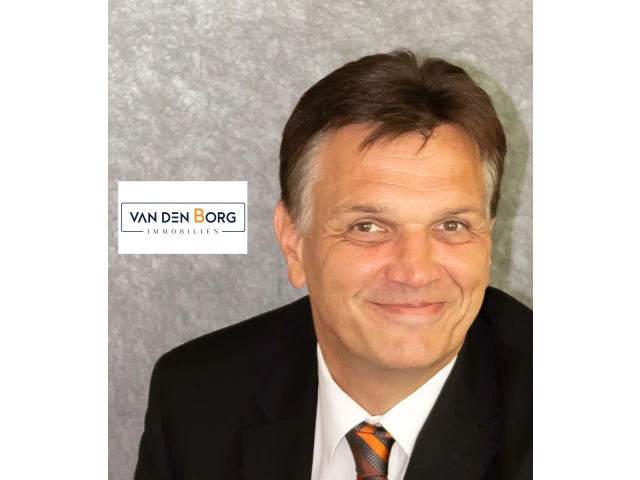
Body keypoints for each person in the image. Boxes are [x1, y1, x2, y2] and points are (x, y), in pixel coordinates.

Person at [134, 49, 532, 480]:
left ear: (487, 240)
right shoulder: (197, 397)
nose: (416, 272)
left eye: (452, 225)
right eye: (367, 227)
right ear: (293, 242)